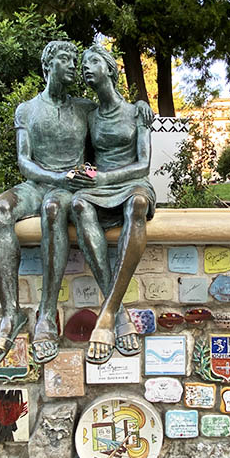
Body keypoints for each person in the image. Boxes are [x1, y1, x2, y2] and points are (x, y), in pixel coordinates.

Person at [0, 41, 96, 367]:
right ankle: (10, 314)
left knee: (54, 210)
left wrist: (143, 108)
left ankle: (46, 314)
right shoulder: (26, 110)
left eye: (75, 60)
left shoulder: (85, 108)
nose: (73, 65)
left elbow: (113, 132)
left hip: (68, 189)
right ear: (48, 64)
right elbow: (23, 161)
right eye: (66, 59)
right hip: (35, 184)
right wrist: (54, 176)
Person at [71, 44, 156, 364]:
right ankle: (117, 313)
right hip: (99, 186)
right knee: (79, 205)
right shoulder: (89, 115)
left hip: (131, 182)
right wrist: (85, 174)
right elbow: (88, 161)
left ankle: (106, 314)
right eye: (83, 64)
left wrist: (104, 179)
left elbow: (144, 165)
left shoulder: (137, 111)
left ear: (110, 69)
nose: (86, 68)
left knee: (136, 204)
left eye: (93, 61)